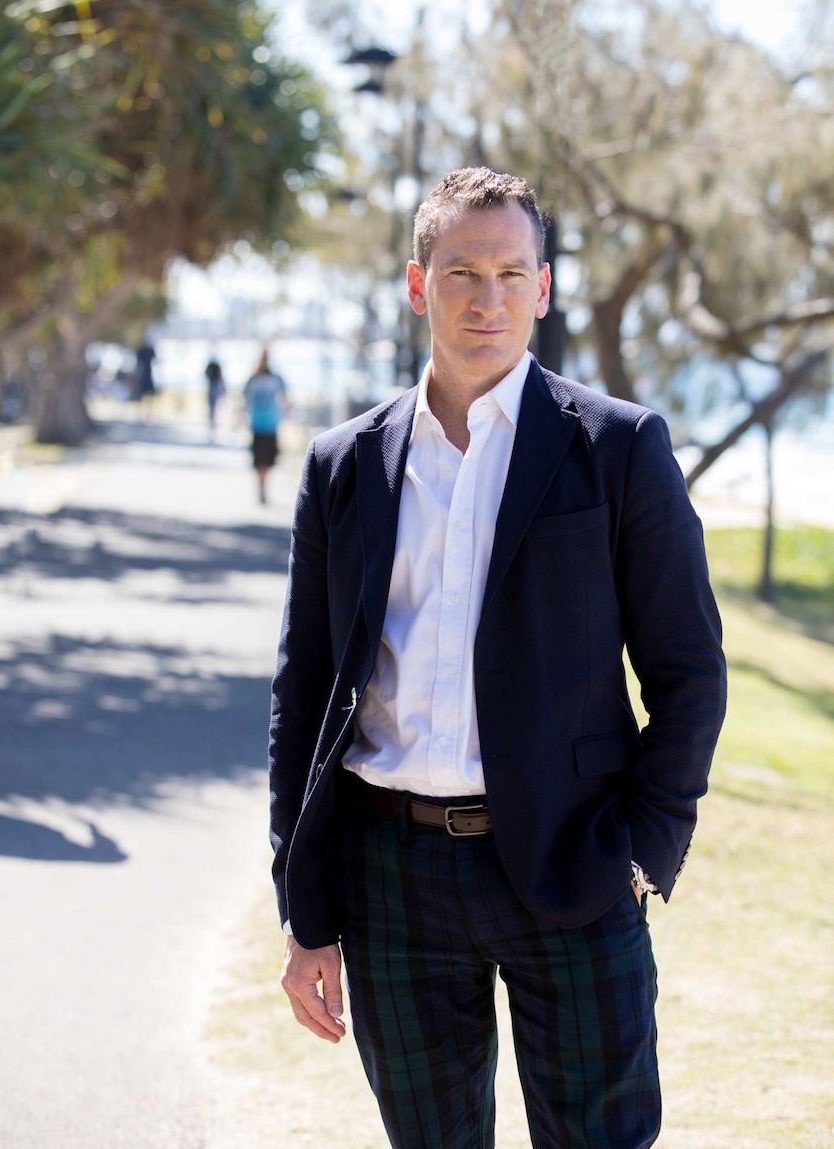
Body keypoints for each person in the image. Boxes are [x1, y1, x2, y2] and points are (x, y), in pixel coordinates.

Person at [269, 168, 727, 1149]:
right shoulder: (343, 464)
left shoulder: (619, 447)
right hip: (385, 873)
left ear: (544, 288)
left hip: (575, 859)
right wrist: (303, 910)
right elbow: (304, 693)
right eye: (463, 271)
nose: (488, 299)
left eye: (512, 274)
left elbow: (688, 670)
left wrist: (645, 845)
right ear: (416, 282)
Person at [244, 348, 286, 503]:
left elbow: (284, 398)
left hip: (268, 424)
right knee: (262, 460)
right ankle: (262, 485)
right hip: (262, 424)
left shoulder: (272, 378)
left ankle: (263, 485)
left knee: (266, 460)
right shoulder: (255, 379)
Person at [204, 357, 226, 436]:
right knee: (212, 407)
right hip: (213, 388)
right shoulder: (214, 379)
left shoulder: (216, 379)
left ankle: (213, 422)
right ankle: (212, 422)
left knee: (214, 407)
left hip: (214, 388)